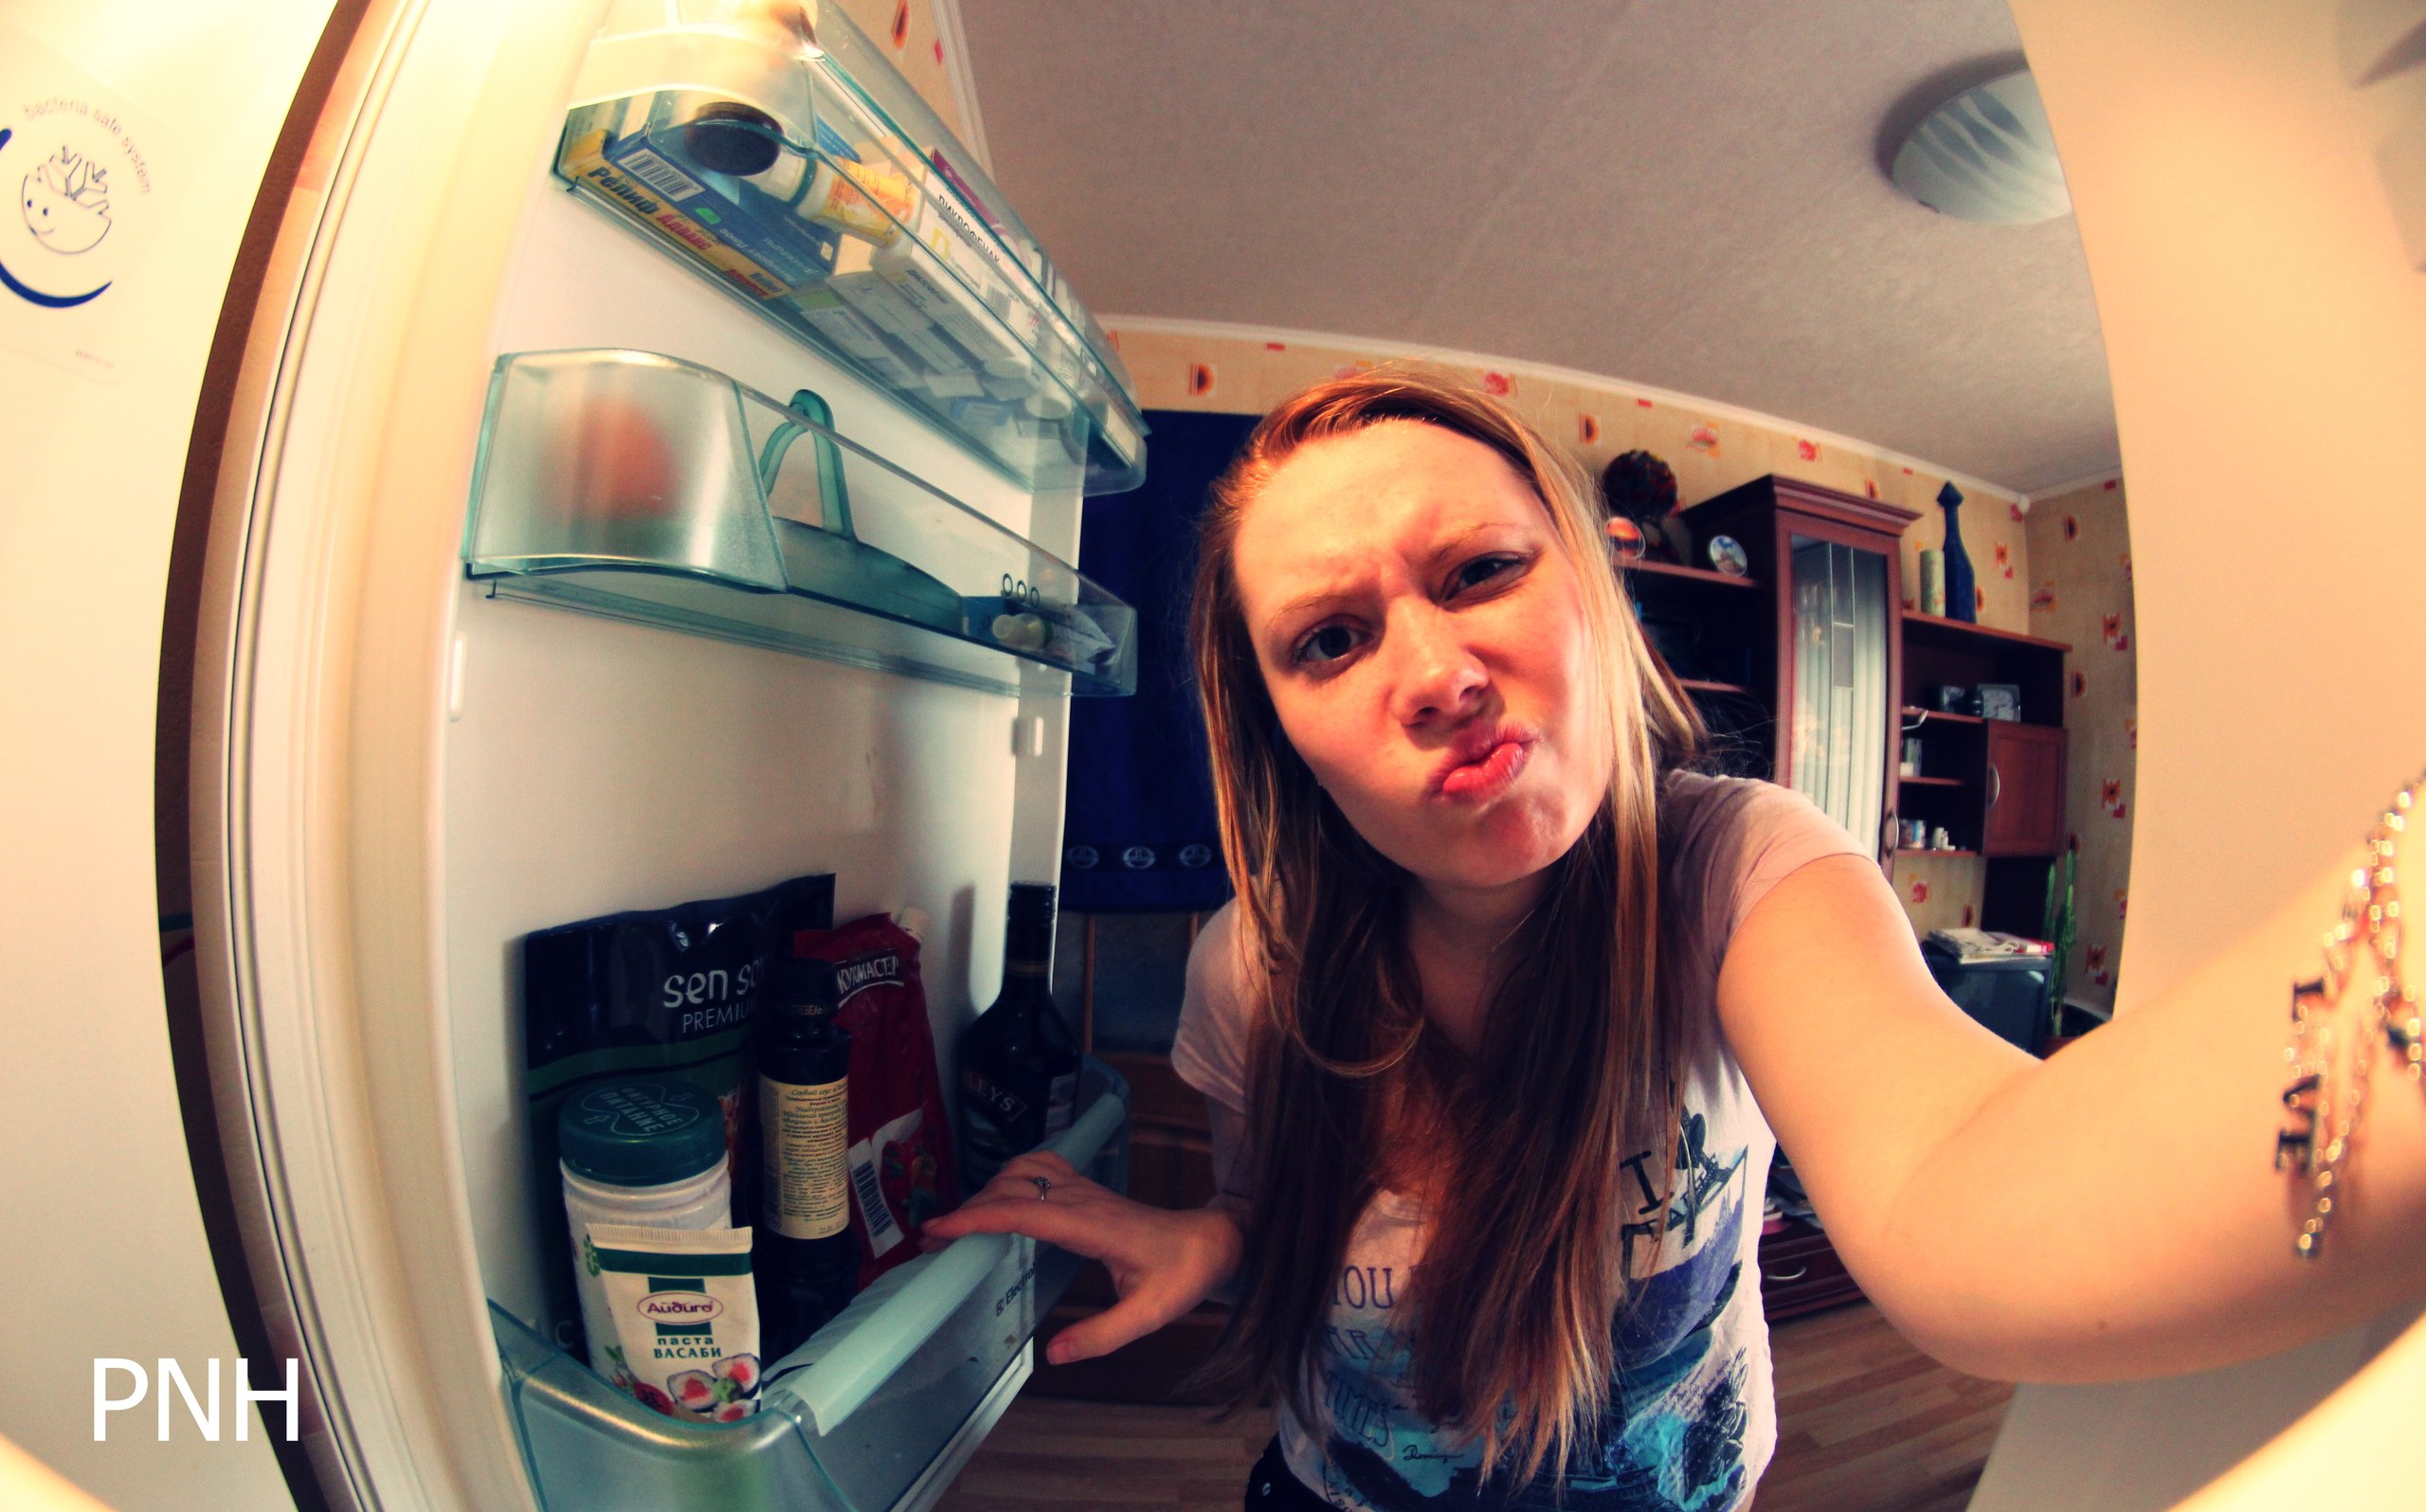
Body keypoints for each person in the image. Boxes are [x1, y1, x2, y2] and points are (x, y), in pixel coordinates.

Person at [921, 369, 2426, 1511]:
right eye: (1332, 639)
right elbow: (1276, 1216)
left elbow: (1973, 1192)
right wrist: (1210, 1237)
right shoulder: (1251, 971)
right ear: (1282, 740)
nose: (1438, 674)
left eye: (1480, 572)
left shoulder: (1742, 872)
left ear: (1592, 594)